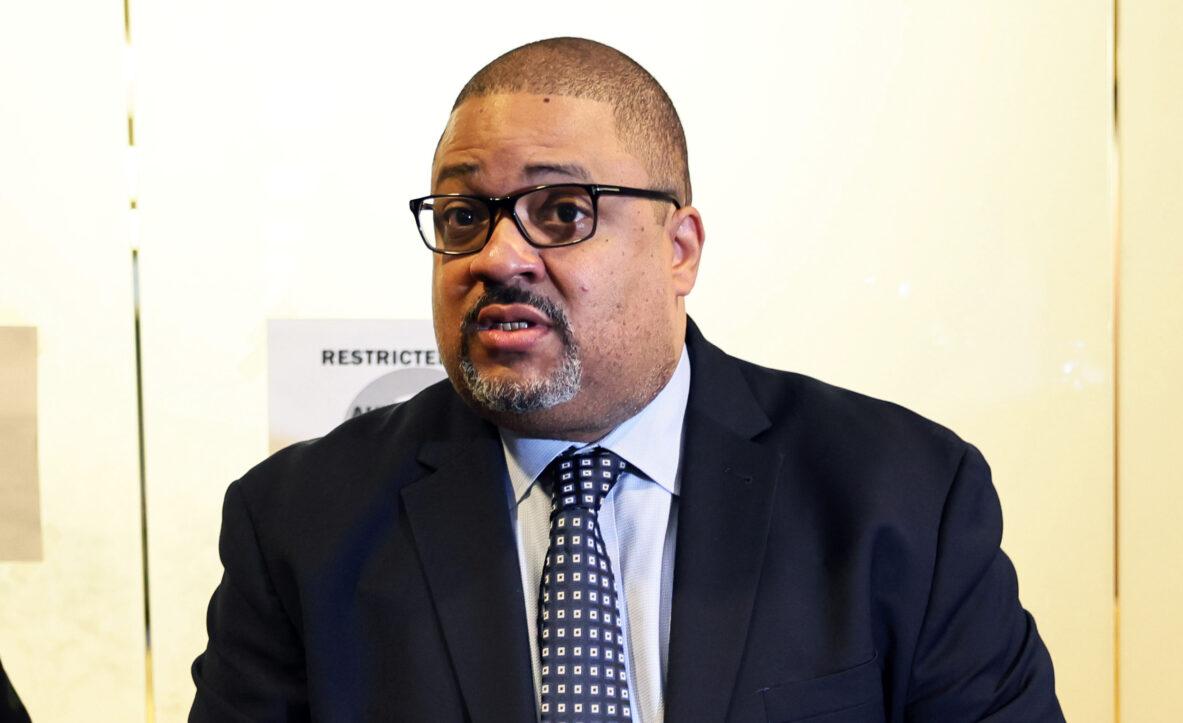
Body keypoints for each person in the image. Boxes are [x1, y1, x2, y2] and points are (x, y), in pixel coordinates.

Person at [190, 37, 1064, 722]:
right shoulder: (299, 526)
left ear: (678, 250)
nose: (497, 256)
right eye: (464, 216)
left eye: (561, 211)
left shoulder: (904, 497)